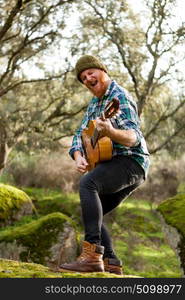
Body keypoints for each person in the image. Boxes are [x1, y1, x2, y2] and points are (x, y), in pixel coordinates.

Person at [59, 55, 150, 275]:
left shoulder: (119, 97)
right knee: (91, 211)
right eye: (83, 77)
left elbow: (133, 137)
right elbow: (79, 135)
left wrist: (110, 131)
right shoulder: (94, 104)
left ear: (103, 71)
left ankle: (91, 257)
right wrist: (79, 155)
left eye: (91, 72)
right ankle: (111, 263)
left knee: (88, 184)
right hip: (114, 163)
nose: (88, 78)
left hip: (131, 161)